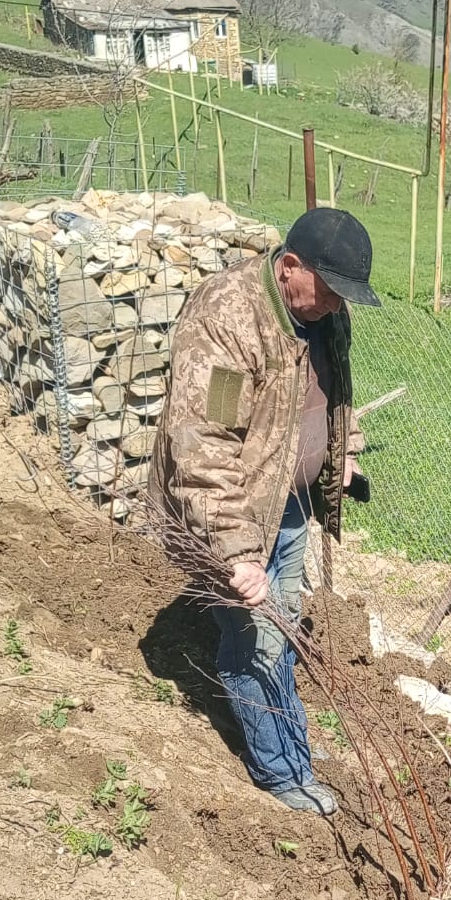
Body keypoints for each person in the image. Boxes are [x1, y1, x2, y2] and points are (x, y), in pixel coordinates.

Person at [150, 207, 380, 814]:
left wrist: (342, 455)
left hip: (290, 505)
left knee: (284, 625)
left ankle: (289, 738)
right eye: (329, 290)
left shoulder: (324, 312)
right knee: (254, 641)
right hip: (233, 514)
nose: (337, 304)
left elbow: (332, 394)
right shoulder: (228, 319)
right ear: (290, 267)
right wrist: (237, 552)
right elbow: (204, 441)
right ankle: (280, 772)